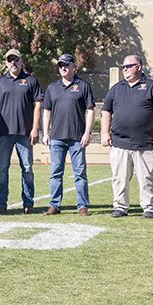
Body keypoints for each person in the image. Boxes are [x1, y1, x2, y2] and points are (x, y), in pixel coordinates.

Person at [102, 54, 153, 218]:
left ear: (139, 67)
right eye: (123, 67)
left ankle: (149, 207)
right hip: (119, 142)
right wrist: (105, 132)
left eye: (128, 66)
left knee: (147, 178)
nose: (125, 69)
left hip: (146, 143)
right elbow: (106, 111)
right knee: (119, 178)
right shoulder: (116, 88)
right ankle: (120, 206)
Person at [0, 49, 43, 215]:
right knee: (2, 169)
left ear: (21, 61)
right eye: (10, 60)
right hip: (4, 134)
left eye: (16, 59)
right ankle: (1, 204)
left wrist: (35, 128)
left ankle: (28, 203)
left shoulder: (31, 81)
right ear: (5, 62)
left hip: (25, 133)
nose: (13, 63)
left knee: (27, 169)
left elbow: (38, 105)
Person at [41, 53, 95, 216]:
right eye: (60, 65)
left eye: (66, 64)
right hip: (56, 137)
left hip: (77, 138)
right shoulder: (52, 87)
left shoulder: (83, 86)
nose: (63, 68)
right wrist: (45, 133)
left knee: (80, 173)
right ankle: (55, 205)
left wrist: (87, 132)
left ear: (74, 66)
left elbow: (91, 110)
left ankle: (82, 206)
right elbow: (47, 110)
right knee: (55, 173)